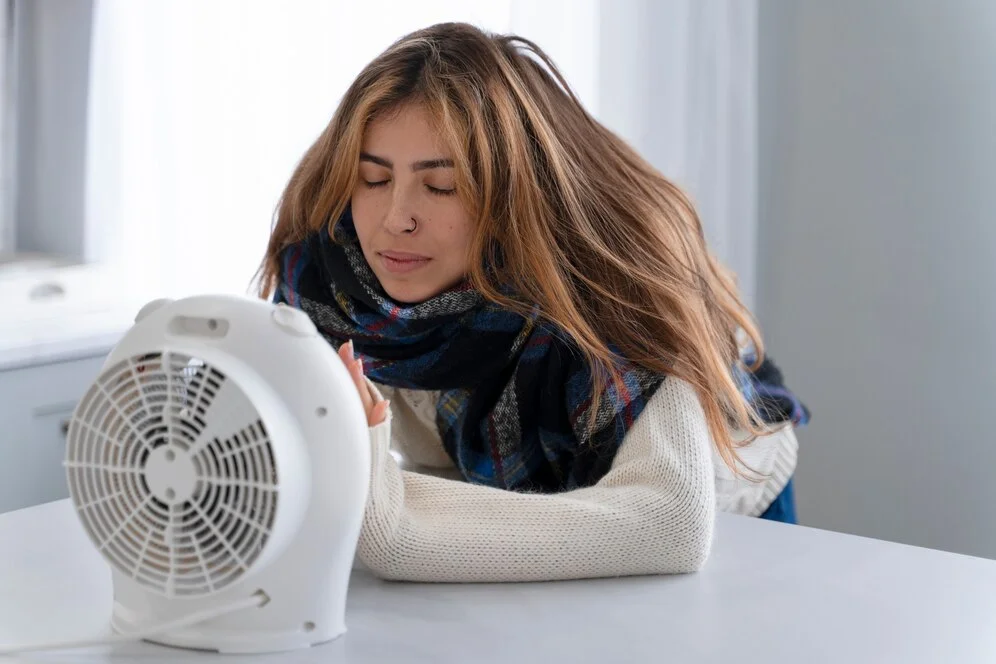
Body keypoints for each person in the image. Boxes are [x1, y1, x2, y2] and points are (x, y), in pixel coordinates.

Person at [256, 22, 809, 583]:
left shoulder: (610, 292)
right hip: (492, 497)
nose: (397, 218)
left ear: (512, 194)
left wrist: (393, 523)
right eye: (372, 178)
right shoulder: (328, 280)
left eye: (441, 186)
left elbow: (669, 524)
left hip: (727, 508)